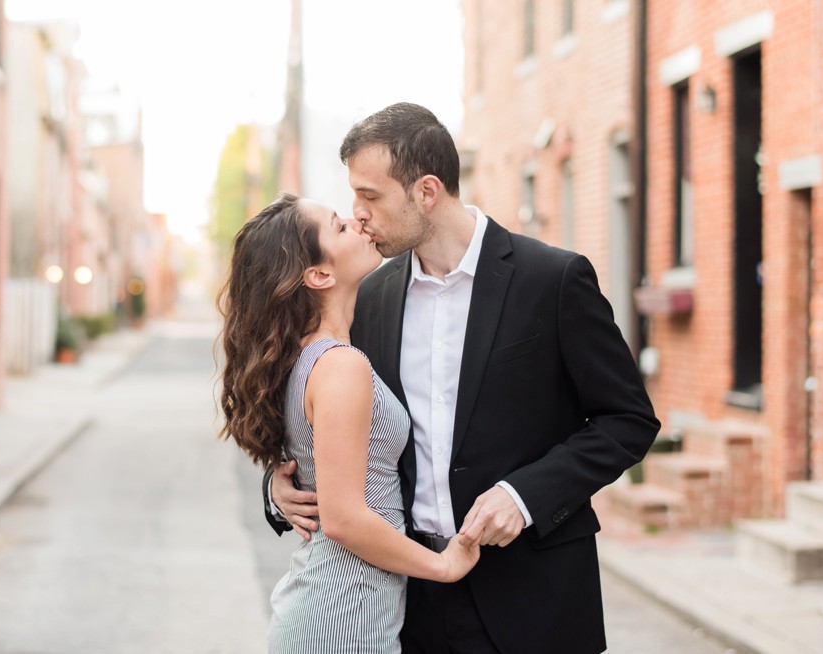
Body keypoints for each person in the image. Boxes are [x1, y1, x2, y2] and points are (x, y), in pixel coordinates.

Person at [266, 103, 660, 654]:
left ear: (426, 191)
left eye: (370, 196)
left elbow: (629, 421)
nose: (357, 215)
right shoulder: (370, 298)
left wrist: (523, 496)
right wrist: (281, 486)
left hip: (534, 600)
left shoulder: (553, 279)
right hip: (411, 602)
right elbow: (334, 421)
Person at [219, 193, 480, 653]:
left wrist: (280, 484)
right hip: (342, 618)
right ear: (319, 275)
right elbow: (343, 519)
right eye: (338, 226)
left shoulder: (313, 354)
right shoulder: (341, 365)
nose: (357, 221)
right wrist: (444, 566)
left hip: (348, 611)